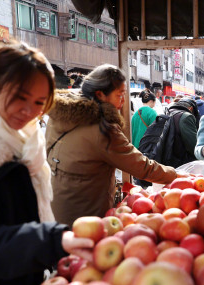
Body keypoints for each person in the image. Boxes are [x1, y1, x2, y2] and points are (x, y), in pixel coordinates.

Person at [0, 40, 93, 285]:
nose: (28, 111)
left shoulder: (21, 137)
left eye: (39, 102)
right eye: (20, 97)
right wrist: (52, 241)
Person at [45, 64, 179, 227]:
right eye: (120, 95)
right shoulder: (102, 130)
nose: (123, 101)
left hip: (55, 208)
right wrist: (177, 176)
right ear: (100, 95)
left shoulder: (58, 116)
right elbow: (143, 167)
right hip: (86, 216)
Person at [153, 98, 199, 168]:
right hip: (180, 163)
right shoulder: (186, 116)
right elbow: (193, 146)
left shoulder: (168, 112)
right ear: (191, 109)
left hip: (163, 158)